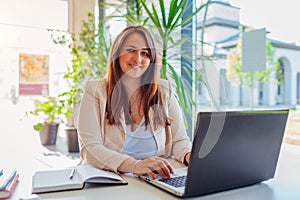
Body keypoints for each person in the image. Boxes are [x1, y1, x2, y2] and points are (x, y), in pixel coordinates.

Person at [77, 26, 191, 180]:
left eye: (145, 53)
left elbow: (179, 141)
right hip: (108, 181)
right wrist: (134, 166)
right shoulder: (95, 91)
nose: (138, 59)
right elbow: (89, 149)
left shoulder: (164, 91)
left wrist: (190, 156)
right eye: (131, 50)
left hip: (155, 180)